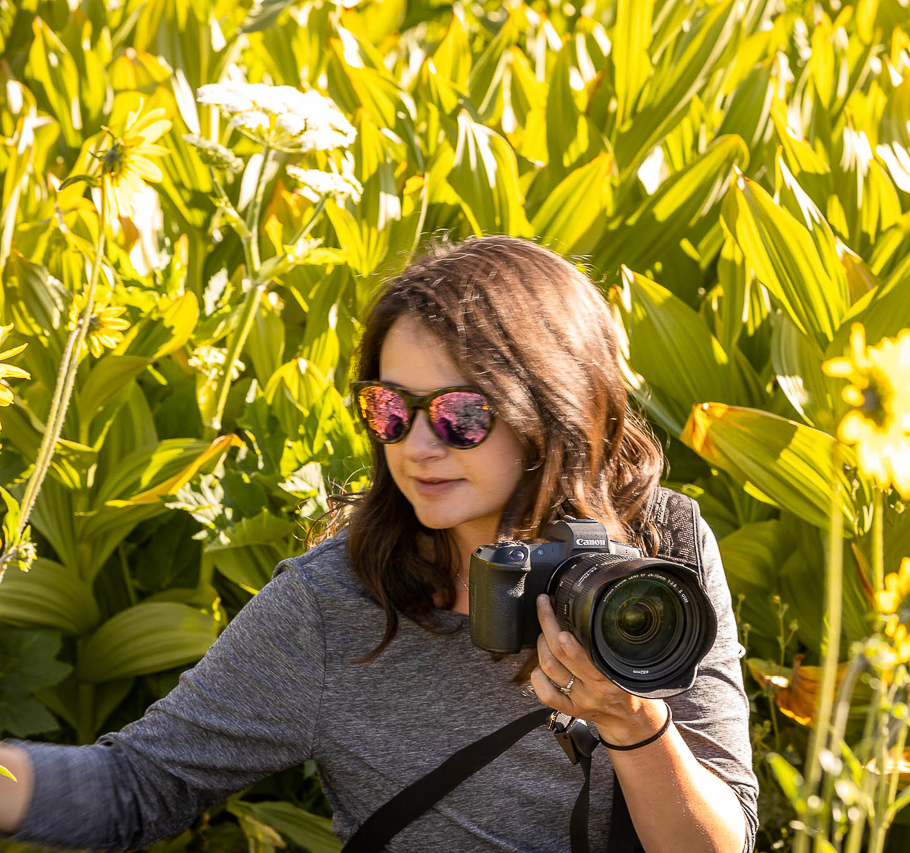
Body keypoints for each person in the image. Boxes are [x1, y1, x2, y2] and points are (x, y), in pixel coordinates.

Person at [0, 236, 759, 852]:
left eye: (462, 413)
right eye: (392, 408)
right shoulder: (334, 604)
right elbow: (138, 783)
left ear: (551, 407)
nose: (418, 445)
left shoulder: (663, 547)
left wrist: (635, 723)